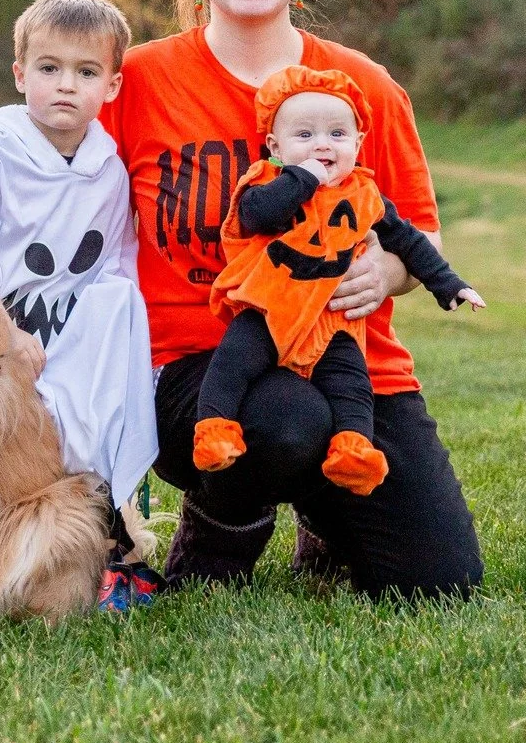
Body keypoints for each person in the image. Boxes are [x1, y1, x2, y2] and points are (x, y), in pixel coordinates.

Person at [100, 0, 485, 599]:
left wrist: (393, 266)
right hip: (200, 366)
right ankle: (218, 535)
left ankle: (329, 520)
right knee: (283, 420)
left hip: (351, 364)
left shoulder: (362, 85)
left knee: (438, 582)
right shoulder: (137, 82)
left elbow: (418, 228)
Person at [0, 0, 163, 611]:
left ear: (111, 86)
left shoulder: (108, 168)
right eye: (49, 69)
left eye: (86, 73)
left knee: (120, 298)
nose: (66, 86)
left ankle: (109, 521)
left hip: (69, 329)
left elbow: (114, 259)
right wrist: (3, 330)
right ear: (20, 74)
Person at [193, 65, 484, 498]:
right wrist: (304, 177)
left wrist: (449, 284)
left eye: (337, 134)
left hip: (333, 323)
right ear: (275, 145)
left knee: (352, 384)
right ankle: (214, 428)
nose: (322, 145)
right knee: (232, 363)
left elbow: (410, 242)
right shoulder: (266, 182)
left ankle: (353, 449)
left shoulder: (364, 196)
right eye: (305, 136)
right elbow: (259, 217)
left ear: (358, 143)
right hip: (271, 311)